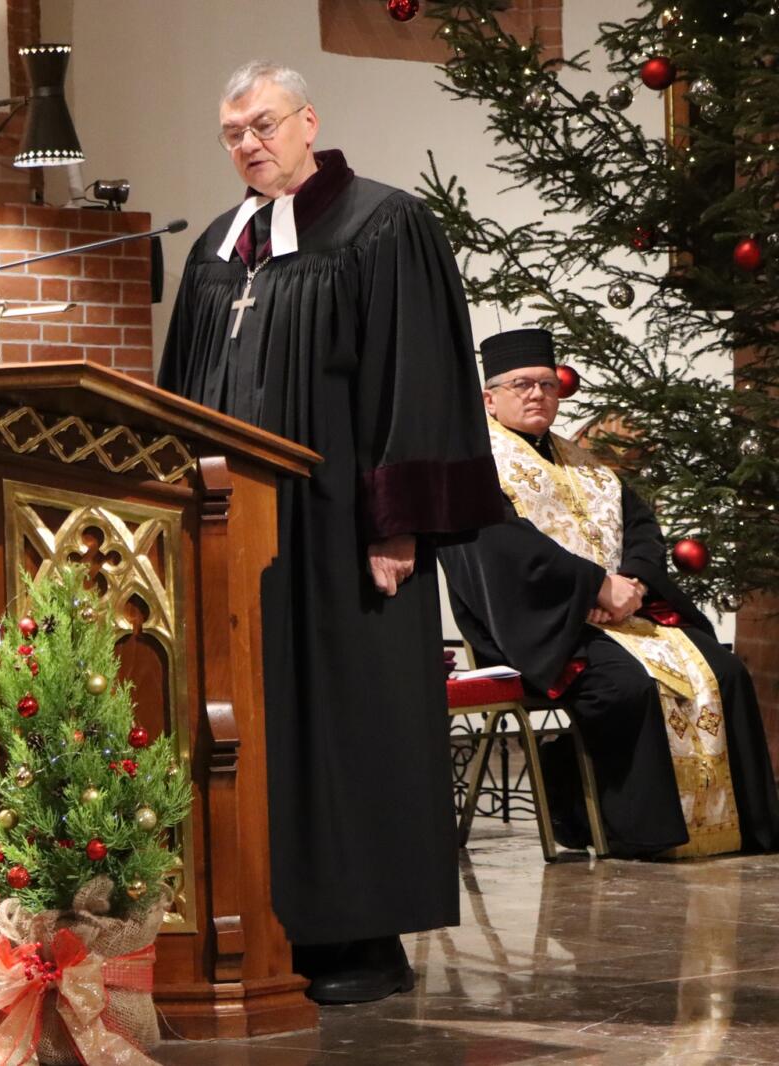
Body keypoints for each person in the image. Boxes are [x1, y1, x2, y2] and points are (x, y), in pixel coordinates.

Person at [157, 62, 504, 1004]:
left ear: (309, 122)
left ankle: (365, 940)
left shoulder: (381, 224)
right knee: (260, 727)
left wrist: (397, 525)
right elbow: (180, 389)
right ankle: (273, 921)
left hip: (340, 534)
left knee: (347, 726)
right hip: (234, 536)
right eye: (233, 133)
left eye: (264, 124)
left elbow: (414, 380)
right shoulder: (220, 247)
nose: (249, 144)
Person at [439, 327, 779, 859]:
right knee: (625, 686)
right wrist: (595, 587)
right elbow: (507, 551)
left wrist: (634, 583)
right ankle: (612, 820)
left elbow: (641, 525)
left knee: (725, 671)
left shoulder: (585, 464)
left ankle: (746, 827)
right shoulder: (474, 468)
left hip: (621, 611)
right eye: (522, 385)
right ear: (489, 398)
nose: (537, 394)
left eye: (548, 385)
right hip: (538, 625)